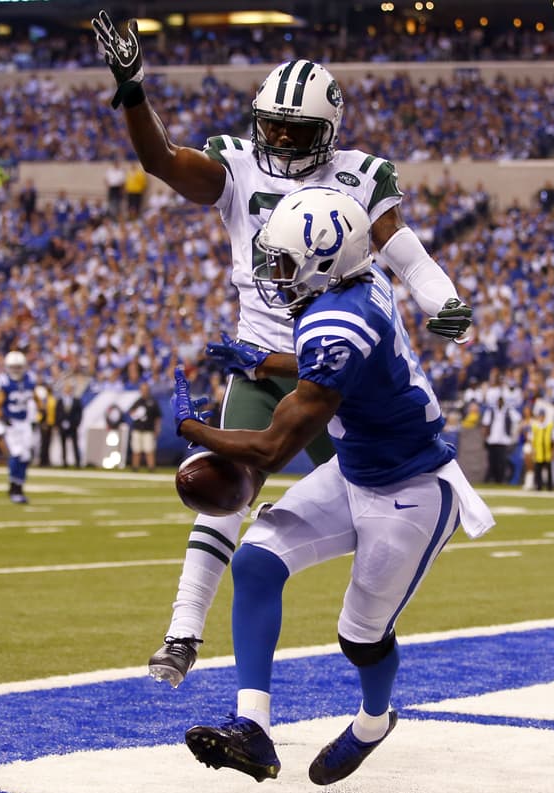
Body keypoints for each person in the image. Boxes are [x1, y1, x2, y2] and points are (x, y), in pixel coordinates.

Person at [91, 12, 474, 687]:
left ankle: (373, 627)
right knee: (222, 489)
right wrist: (132, 88)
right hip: (260, 358)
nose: (280, 140)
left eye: (296, 132)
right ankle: (183, 631)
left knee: (378, 492)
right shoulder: (237, 163)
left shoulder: (359, 176)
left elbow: (406, 254)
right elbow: (160, 161)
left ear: (328, 132)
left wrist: (441, 299)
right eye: (271, 126)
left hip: (335, 367)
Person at [171, 188, 494, 785]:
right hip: (355, 470)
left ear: (325, 259)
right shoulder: (359, 283)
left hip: (411, 490)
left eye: (288, 261)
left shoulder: (341, 321)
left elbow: (272, 447)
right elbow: (326, 355)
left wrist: (194, 430)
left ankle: (373, 721)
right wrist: (265, 361)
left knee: (360, 638)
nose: (276, 273)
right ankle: (254, 729)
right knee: (257, 562)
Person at [0, 350, 40, 504]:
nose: (16, 370)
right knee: (17, 454)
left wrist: (42, 410)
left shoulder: (29, 380)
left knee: (26, 456)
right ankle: (14, 487)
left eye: (18, 367)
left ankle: (18, 484)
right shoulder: (5, 382)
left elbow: (35, 397)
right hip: (12, 422)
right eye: (13, 367)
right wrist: (2, 418)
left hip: (25, 422)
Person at [126, 381, 161, 471]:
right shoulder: (138, 401)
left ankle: (151, 467)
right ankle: (135, 467)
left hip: (148, 429)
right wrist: (136, 414)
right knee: (136, 449)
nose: (144, 391)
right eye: (142, 390)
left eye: (146, 390)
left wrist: (157, 428)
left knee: (149, 449)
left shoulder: (153, 402)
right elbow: (131, 412)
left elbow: (158, 417)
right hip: (137, 429)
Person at [57, 384, 83, 468]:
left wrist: (75, 423)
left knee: (75, 444)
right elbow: (57, 413)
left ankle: (77, 462)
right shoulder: (60, 400)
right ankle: (64, 462)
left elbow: (79, 413)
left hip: (73, 426)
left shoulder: (76, 400)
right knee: (63, 444)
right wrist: (60, 423)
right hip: (62, 426)